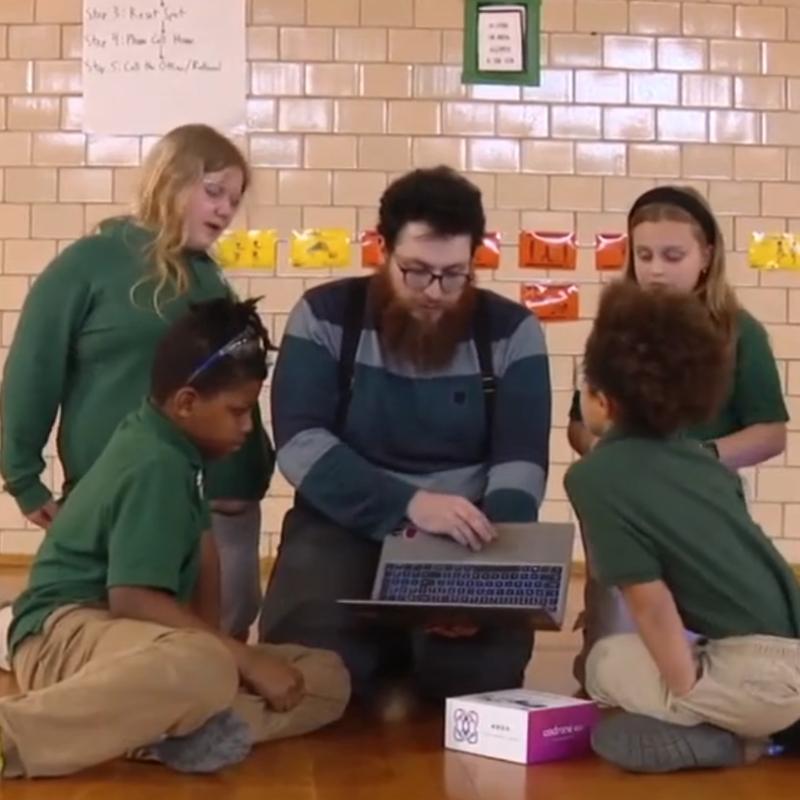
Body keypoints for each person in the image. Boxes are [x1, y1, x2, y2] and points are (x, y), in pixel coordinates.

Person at [0, 297, 350, 780]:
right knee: (207, 666)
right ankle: (11, 738)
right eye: (239, 411)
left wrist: (229, 654)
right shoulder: (154, 462)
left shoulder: (178, 449)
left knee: (325, 675)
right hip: (63, 632)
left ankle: (149, 730)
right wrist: (237, 659)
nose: (248, 428)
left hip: (138, 645)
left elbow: (203, 551)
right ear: (186, 402)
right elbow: (133, 600)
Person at [259, 166, 552, 708]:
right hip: (342, 520)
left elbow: (521, 462)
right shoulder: (324, 316)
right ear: (381, 250)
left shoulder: (513, 331)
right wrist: (409, 505)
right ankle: (384, 645)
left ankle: (405, 644)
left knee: (477, 678)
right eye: (416, 272)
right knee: (311, 668)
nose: (435, 292)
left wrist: (484, 573)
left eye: (454, 274)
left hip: (467, 531)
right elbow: (300, 444)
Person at [0, 124, 274, 642]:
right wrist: (22, 474)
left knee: (218, 645)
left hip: (214, 505)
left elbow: (236, 393)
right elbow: (33, 369)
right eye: (212, 191)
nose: (224, 210)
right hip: (116, 490)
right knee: (121, 636)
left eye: (233, 201)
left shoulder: (211, 279)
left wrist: (247, 479)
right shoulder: (90, 264)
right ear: (169, 180)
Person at [564, 279, 800, 774]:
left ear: (602, 399)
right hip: (784, 660)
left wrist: (686, 691)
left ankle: (731, 739)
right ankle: (765, 723)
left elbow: (650, 604)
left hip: (756, 680)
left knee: (602, 666)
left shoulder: (595, 476)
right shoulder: (707, 463)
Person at [566, 185, 789, 687]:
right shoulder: (613, 327)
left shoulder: (739, 331)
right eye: (644, 255)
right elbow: (580, 423)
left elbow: (771, 432)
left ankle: (704, 696)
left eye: (673, 255)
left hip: (703, 497)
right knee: (613, 636)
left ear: (706, 256)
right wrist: (610, 458)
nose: (657, 270)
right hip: (626, 498)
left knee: (709, 625)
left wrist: (695, 459)